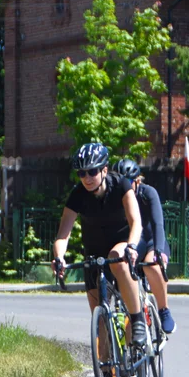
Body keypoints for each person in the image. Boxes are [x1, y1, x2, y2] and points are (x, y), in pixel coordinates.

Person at [51, 142, 147, 356]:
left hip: (123, 241)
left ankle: (138, 319)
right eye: (82, 173)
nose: (87, 177)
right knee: (99, 318)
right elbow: (62, 235)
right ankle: (106, 375)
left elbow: (136, 221)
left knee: (117, 258)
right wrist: (59, 257)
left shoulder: (121, 185)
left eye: (92, 171)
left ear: (104, 170)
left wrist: (131, 246)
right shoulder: (77, 195)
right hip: (94, 252)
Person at [113, 159, 177, 333]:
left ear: (137, 181)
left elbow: (158, 224)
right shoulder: (116, 198)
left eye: (128, 183)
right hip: (134, 243)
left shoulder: (148, 193)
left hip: (152, 240)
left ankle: (164, 310)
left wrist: (159, 252)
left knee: (152, 267)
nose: (123, 189)